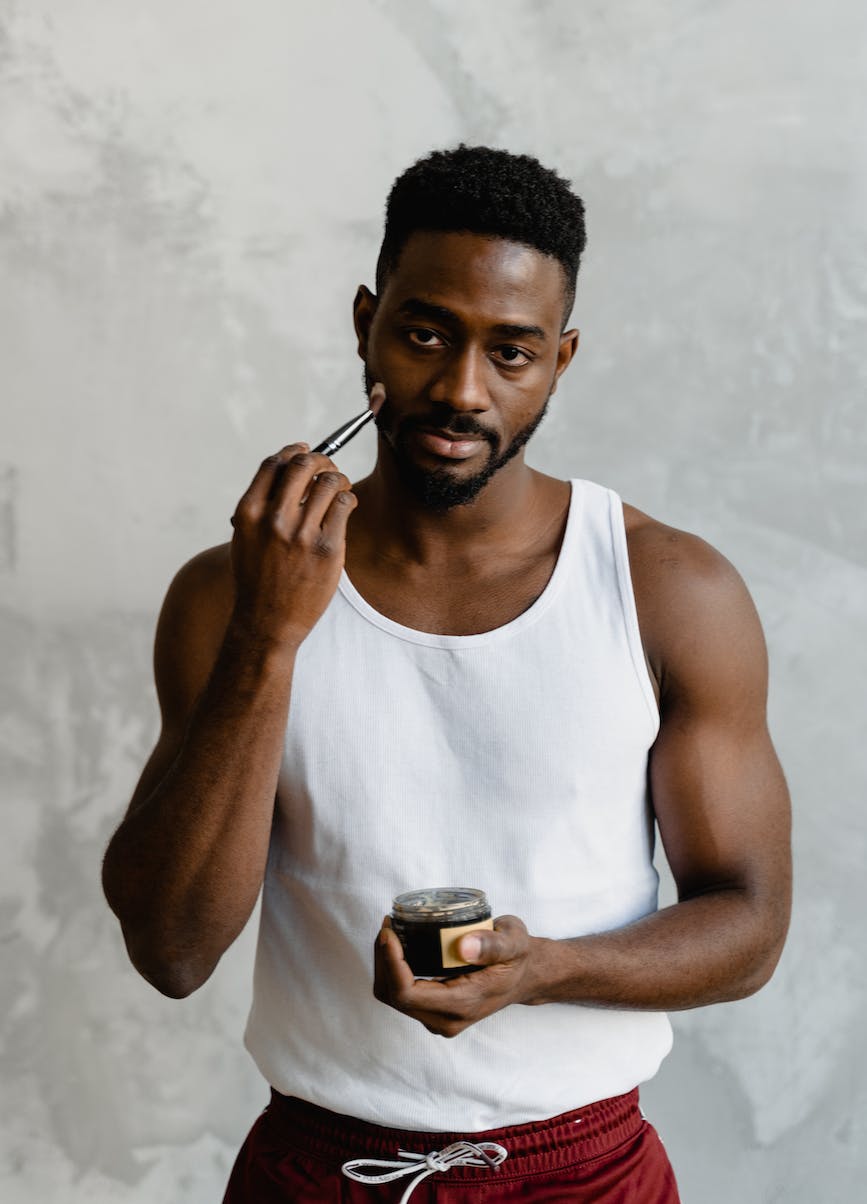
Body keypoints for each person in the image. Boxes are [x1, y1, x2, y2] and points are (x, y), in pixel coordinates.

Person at [102, 145, 792, 1202]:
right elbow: (171, 946)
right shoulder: (232, 595)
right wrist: (267, 638)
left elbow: (748, 927)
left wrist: (544, 969)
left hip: (586, 1173)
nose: (461, 389)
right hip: (321, 1167)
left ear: (561, 361)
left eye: (511, 353)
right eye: (426, 334)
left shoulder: (667, 589)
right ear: (366, 322)